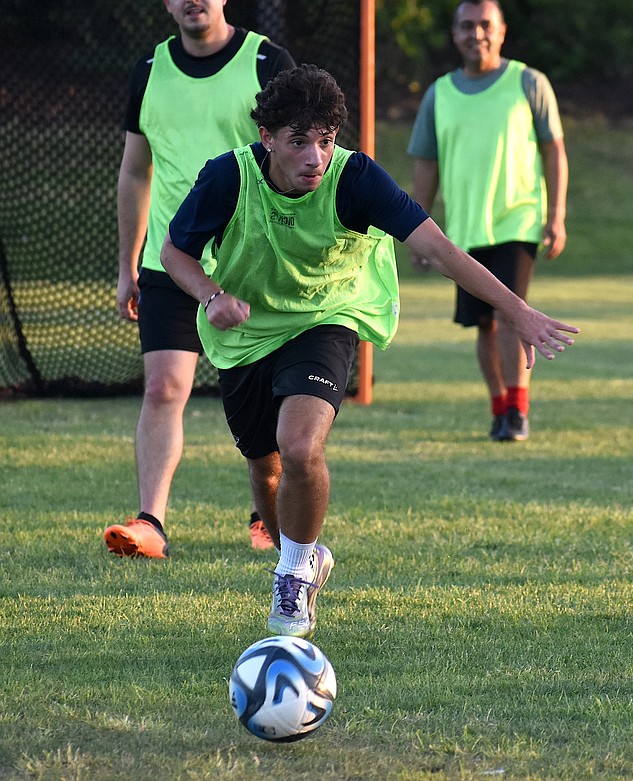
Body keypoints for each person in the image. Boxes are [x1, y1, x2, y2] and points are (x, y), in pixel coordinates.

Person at [161, 64, 578, 638]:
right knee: (265, 467)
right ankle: (300, 555)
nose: (315, 157)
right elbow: (174, 252)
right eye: (299, 142)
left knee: (300, 445)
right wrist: (212, 295)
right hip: (247, 329)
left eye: (326, 141)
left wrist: (518, 311)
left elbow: (441, 248)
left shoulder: (355, 178)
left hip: (329, 317)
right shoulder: (228, 178)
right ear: (268, 139)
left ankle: (295, 573)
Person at [105, 0, 295, 558]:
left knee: (268, 398)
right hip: (171, 260)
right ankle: (151, 524)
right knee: (163, 386)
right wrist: (127, 264)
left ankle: (268, 516)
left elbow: (298, 156)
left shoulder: (266, 60)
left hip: (252, 263)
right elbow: (135, 171)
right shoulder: (148, 71)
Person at [407, 0, 568, 442]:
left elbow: (554, 150)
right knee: (483, 322)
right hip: (464, 230)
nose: (475, 33)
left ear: (501, 31)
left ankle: (517, 409)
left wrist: (556, 215)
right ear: (455, 34)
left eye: (484, 25)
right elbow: (426, 162)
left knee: (510, 310)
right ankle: (499, 407)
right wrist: (417, 229)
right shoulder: (440, 93)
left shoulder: (529, 83)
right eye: (466, 26)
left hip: (517, 222)